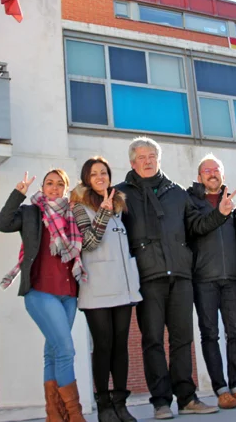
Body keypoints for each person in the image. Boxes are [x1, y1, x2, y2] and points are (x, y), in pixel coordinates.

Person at [116, 137, 235, 420]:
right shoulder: (121, 194)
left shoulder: (177, 192)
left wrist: (220, 214)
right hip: (147, 277)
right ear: (132, 162)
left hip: (181, 275)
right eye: (142, 157)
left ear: (158, 160)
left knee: (182, 340)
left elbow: (196, 226)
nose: (148, 161)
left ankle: (187, 398)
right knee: (153, 341)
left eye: (152, 156)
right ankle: (160, 402)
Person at [0, 169, 87, 422]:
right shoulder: (31, 212)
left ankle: (54, 416)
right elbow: (3, 224)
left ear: (66, 189)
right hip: (40, 291)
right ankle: (75, 415)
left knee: (54, 353)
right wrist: (18, 194)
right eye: (49, 183)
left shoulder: (73, 214)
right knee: (66, 350)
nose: (54, 188)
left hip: (68, 294)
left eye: (59, 184)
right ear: (43, 187)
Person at [187, 154, 236, 409]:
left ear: (223, 175)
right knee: (210, 334)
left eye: (216, 170)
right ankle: (221, 390)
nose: (212, 174)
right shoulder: (191, 201)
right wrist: (219, 213)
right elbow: (195, 228)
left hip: (232, 279)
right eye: (207, 170)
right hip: (203, 279)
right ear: (199, 177)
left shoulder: (235, 205)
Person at [71, 156, 141, 422]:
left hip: (123, 287)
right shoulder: (80, 206)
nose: (100, 177)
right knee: (103, 345)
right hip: (97, 287)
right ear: (86, 179)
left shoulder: (120, 205)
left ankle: (120, 403)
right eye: (94, 174)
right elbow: (88, 243)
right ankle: (103, 405)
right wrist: (103, 211)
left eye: (104, 172)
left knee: (121, 346)